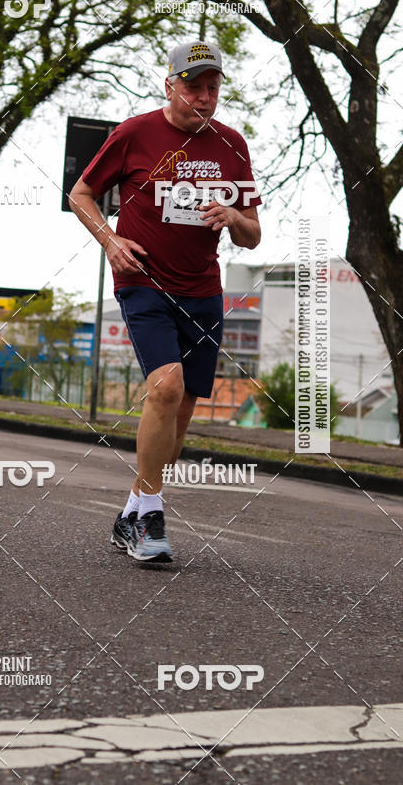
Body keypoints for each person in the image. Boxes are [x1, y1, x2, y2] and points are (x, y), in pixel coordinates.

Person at [70, 41, 261, 563]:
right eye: (193, 86)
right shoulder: (135, 134)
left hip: (202, 291)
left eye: (212, 87)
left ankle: (132, 509)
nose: (203, 97)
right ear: (170, 84)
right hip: (144, 282)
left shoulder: (232, 144)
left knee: (178, 422)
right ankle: (151, 518)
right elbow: (80, 194)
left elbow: (253, 236)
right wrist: (110, 241)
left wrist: (233, 217)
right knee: (165, 387)